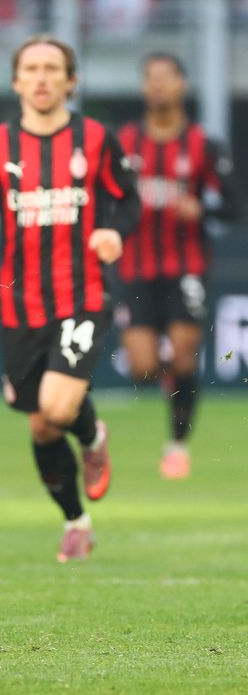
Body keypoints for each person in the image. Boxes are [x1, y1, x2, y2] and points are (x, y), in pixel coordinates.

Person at [0, 34, 140, 563]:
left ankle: (92, 438)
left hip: (83, 294)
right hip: (20, 304)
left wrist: (115, 231)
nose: (42, 78)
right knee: (42, 423)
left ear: (71, 81)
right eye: (31, 69)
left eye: (53, 68)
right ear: (15, 82)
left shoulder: (96, 139)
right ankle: (76, 521)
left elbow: (129, 200)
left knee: (58, 404)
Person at [116, 53, 240, 479]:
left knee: (185, 354)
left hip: (186, 265)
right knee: (142, 367)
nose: (158, 85)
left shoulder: (203, 145)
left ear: (181, 84)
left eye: (166, 77)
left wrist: (202, 208)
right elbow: (103, 194)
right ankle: (170, 379)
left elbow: (235, 206)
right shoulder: (124, 142)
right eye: (150, 78)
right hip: (135, 266)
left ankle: (177, 445)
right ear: (143, 86)